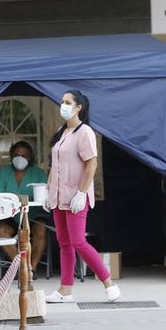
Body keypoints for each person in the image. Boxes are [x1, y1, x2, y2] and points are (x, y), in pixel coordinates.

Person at [42, 90, 121, 303]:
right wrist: (48, 190)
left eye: (68, 102)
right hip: (59, 197)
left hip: (76, 196)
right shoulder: (61, 132)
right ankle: (65, 290)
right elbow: (54, 164)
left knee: (78, 241)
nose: (63, 106)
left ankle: (108, 282)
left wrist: (81, 193)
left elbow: (91, 163)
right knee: (64, 243)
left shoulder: (84, 132)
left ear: (79, 107)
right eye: (62, 102)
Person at [0, 140, 48, 272]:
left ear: (30, 157)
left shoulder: (39, 174)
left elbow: (44, 195)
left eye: (24, 155)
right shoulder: (3, 173)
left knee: (41, 230)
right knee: (0, 230)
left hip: (33, 216)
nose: (20, 159)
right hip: (10, 216)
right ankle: (23, 267)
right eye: (17, 155)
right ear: (11, 156)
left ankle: (32, 268)